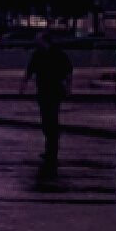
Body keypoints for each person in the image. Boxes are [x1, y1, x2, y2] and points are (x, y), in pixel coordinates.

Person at [23, 26, 73, 167]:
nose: (36, 42)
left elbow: (68, 72)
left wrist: (68, 88)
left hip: (55, 90)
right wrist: (23, 85)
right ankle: (50, 146)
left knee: (52, 117)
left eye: (38, 40)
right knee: (46, 119)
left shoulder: (58, 54)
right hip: (43, 90)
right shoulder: (37, 54)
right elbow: (30, 71)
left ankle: (52, 148)